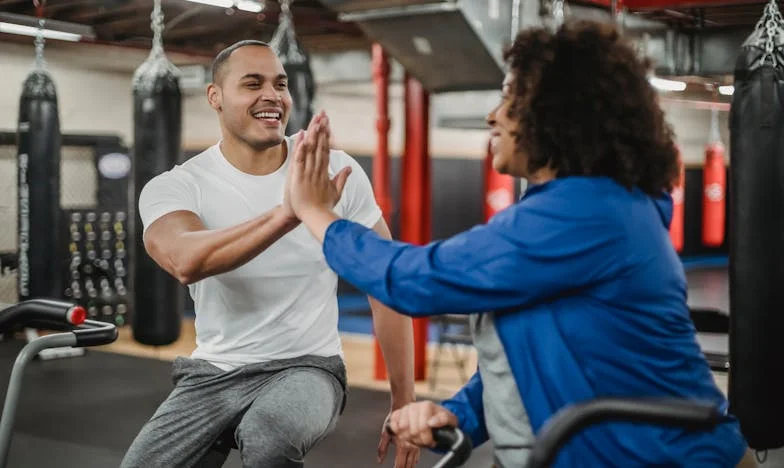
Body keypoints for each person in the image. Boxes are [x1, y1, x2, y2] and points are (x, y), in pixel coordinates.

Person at [284, 21, 749, 468]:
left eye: (510, 99)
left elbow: (416, 280)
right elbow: (533, 354)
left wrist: (317, 213)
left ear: (557, 114)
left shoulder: (587, 211)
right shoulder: (583, 208)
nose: (493, 115)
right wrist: (460, 414)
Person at [121, 40, 419, 468]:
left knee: (269, 437)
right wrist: (292, 213)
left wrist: (404, 399)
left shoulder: (332, 171)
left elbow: (386, 284)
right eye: (252, 83)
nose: (273, 96)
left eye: (280, 84)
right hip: (212, 373)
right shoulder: (179, 185)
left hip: (308, 367)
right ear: (215, 97)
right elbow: (187, 259)